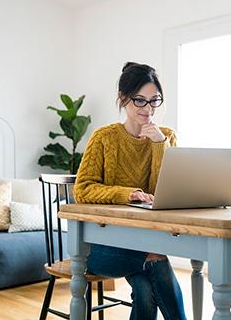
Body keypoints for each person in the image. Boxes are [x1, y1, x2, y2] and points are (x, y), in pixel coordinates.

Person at [74, 62, 187, 320]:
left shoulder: (166, 137)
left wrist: (160, 145)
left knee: (146, 292)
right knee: (156, 256)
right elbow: (83, 189)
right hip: (103, 245)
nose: (148, 109)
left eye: (154, 101)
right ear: (123, 98)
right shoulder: (104, 138)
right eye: (140, 101)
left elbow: (167, 192)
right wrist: (128, 193)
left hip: (145, 238)